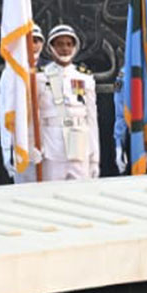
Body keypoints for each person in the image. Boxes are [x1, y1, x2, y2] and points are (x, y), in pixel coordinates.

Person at [36, 24, 102, 180]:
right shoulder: (39, 77)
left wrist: (94, 159)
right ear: (50, 47)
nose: (64, 48)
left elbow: (92, 119)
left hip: (80, 144)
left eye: (69, 44)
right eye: (59, 44)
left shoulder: (84, 77)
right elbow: (35, 116)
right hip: (51, 146)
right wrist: (36, 146)